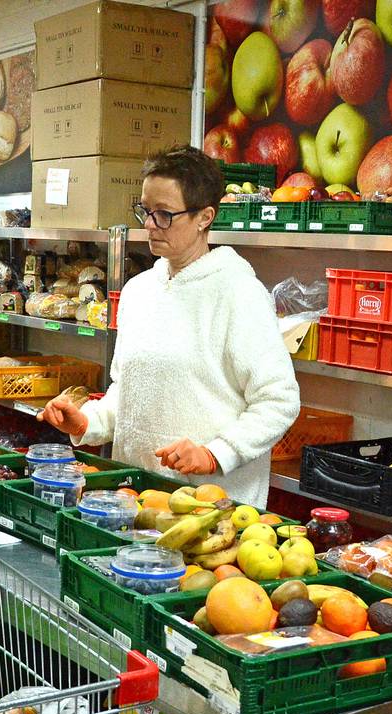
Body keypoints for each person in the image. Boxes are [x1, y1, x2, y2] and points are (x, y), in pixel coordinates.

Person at [38, 146, 300, 508]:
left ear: (205, 217)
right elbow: (129, 390)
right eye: (146, 211)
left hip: (212, 512)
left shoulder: (239, 293)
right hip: (137, 500)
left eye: (164, 214)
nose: (149, 224)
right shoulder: (138, 291)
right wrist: (87, 423)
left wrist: (216, 454)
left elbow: (279, 401)